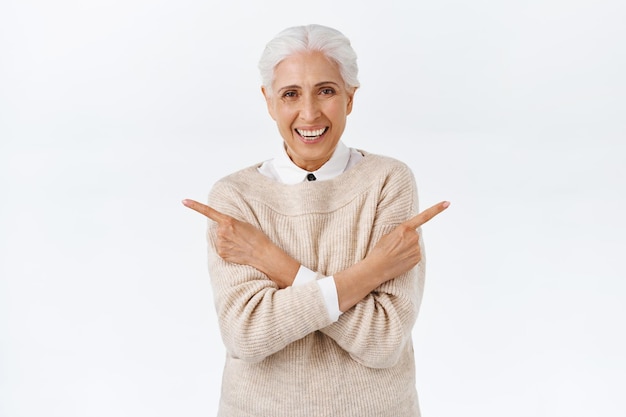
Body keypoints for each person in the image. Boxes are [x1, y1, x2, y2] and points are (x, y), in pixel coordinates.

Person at [183, 24, 449, 417]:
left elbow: (382, 340)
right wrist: (369, 272)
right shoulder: (235, 197)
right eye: (290, 94)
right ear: (269, 101)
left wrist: (274, 262)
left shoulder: (388, 182)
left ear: (350, 98)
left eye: (326, 91)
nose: (309, 113)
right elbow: (247, 336)